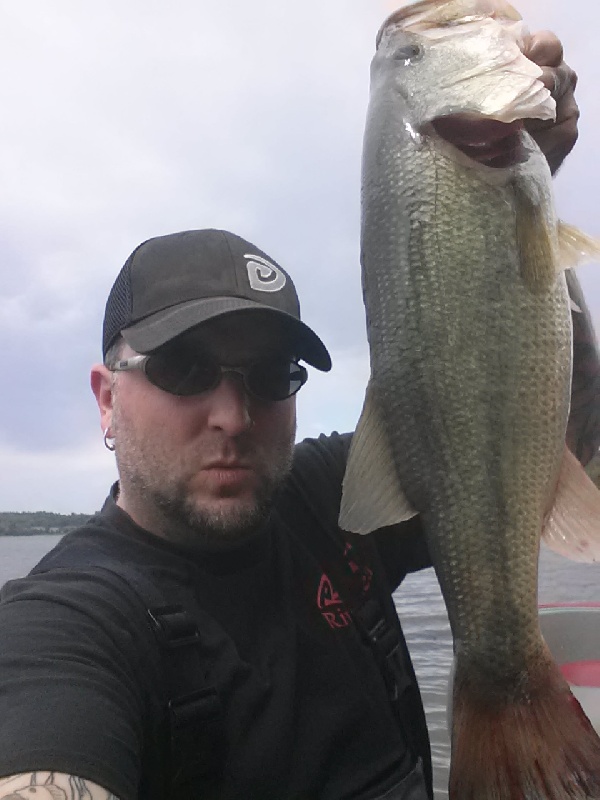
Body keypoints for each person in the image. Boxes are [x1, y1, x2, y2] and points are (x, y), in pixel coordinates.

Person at [0, 31, 596, 800]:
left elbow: (545, 428)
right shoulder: (70, 622)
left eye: (271, 374)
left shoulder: (323, 500)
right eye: (183, 369)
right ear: (107, 397)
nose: (231, 412)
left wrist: (518, 207)